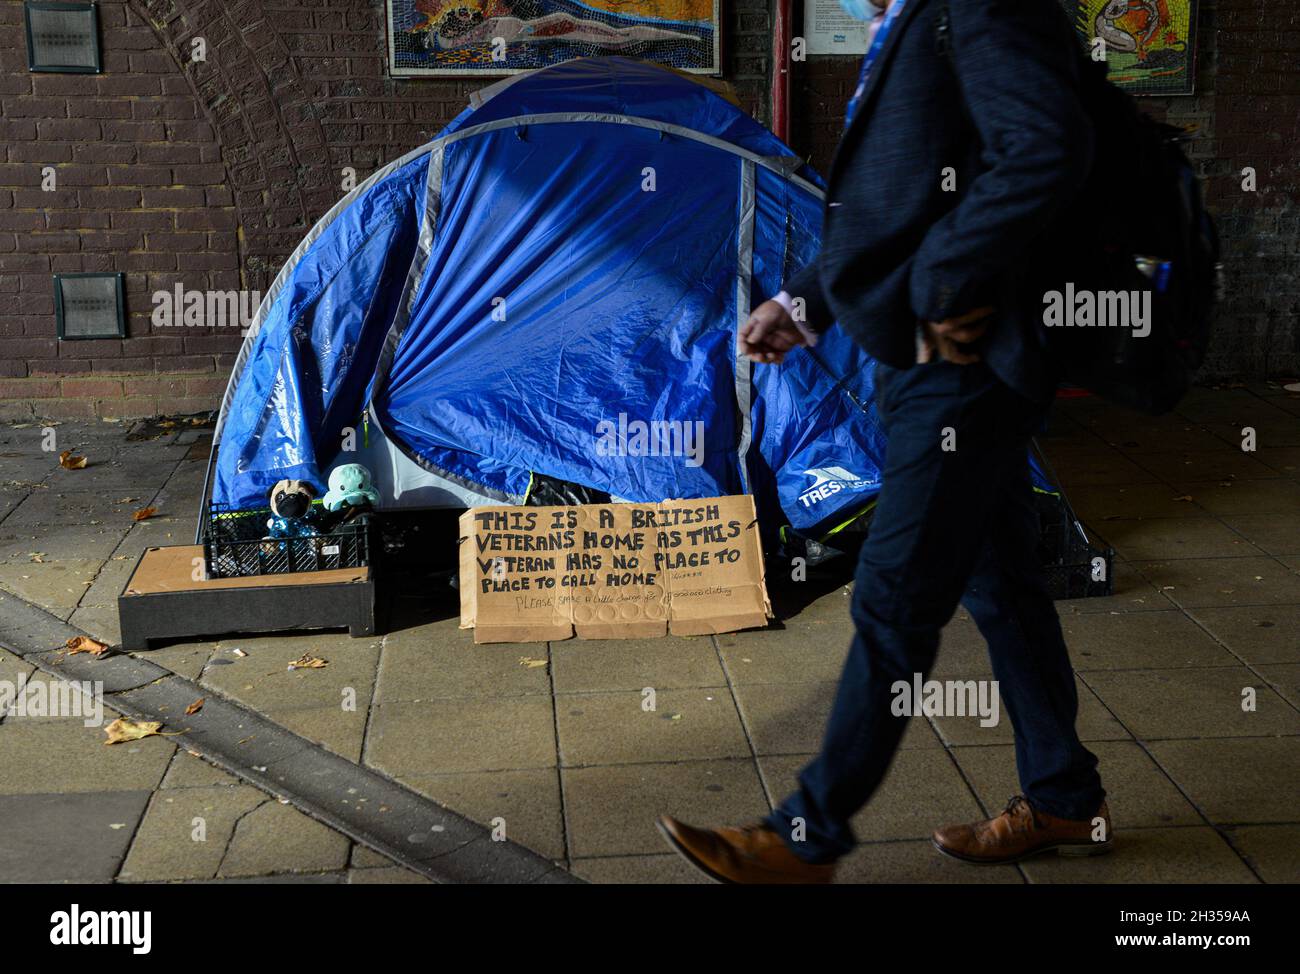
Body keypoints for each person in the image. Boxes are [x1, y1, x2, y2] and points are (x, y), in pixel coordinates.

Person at [657, 0, 1110, 883]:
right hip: (932, 361)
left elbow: (1049, 148)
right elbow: (897, 200)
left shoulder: (975, 10)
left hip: (960, 366)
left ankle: (805, 836)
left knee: (895, 599)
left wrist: (945, 287)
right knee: (1004, 587)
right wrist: (802, 303)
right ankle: (1063, 797)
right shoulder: (917, 18)